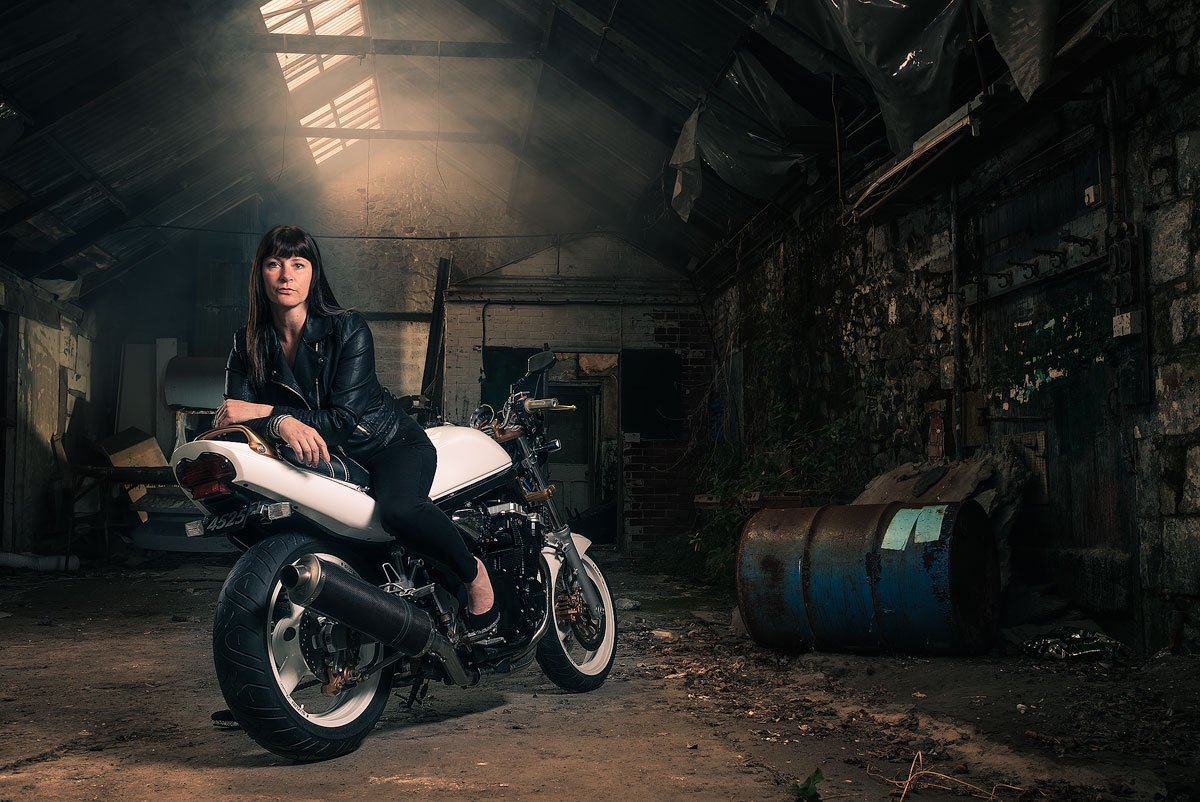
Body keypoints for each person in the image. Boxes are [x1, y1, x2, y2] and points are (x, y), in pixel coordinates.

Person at [212, 223, 496, 630]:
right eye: (274, 263)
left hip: (386, 445)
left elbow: (343, 422)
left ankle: (473, 574)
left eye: (298, 263)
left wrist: (276, 417)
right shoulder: (246, 344)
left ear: (314, 274)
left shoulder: (348, 328)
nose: (287, 274)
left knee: (399, 510)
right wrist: (280, 424)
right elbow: (233, 421)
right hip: (322, 458)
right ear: (260, 273)